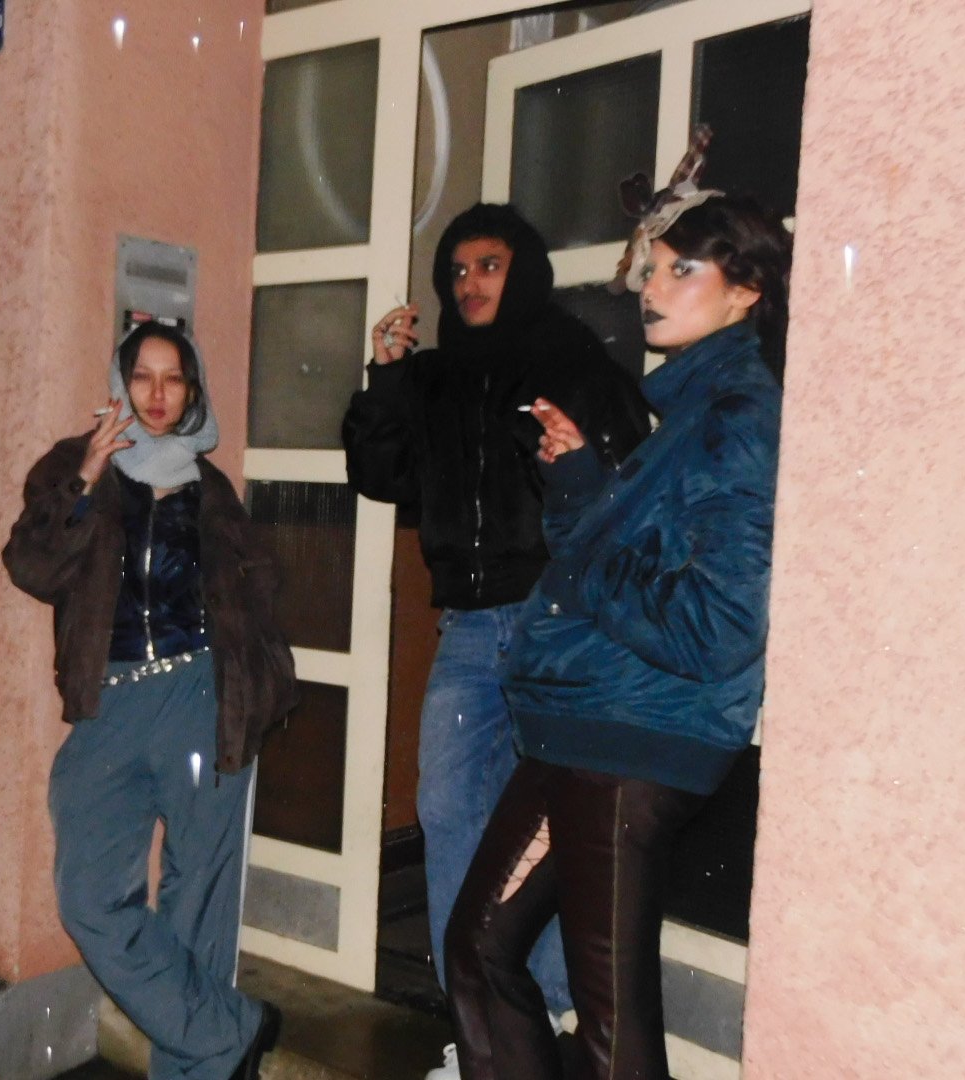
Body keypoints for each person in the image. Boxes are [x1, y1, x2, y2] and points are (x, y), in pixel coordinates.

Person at [442, 191, 791, 1080]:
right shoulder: (690, 411)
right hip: (587, 727)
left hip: (637, 740)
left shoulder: (736, 417)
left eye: (683, 270)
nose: (651, 286)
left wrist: (593, 546)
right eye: (653, 267)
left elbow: (718, 627)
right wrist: (580, 484)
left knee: (610, 1022)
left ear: (746, 290)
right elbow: (621, 550)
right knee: (479, 948)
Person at [341, 203, 653, 1078]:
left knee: (546, 829)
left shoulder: (565, 353)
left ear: (522, 270)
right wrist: (388, 377)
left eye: (488, 266)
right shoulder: (435, 377)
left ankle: (546, 1016)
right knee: (447, 806)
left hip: (554, 618)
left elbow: (632, 457)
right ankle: (476, 1022)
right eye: (458, 272)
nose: (470, 284)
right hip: (471, 627)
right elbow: (381, 473)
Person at [3, 321, 299, 1080]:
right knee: (90, 899)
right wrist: (84, 480)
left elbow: (257, 596)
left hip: (202, 699)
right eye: (143, 377)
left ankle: (198, 1069)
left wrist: (257, 692)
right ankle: (232, 1029)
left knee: (197, 907)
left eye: (174, 379)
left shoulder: (211, 489)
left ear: (192, 390)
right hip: (111, 703)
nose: (159, 394)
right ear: (120, 383)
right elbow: (31, 566)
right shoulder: (77, 468)